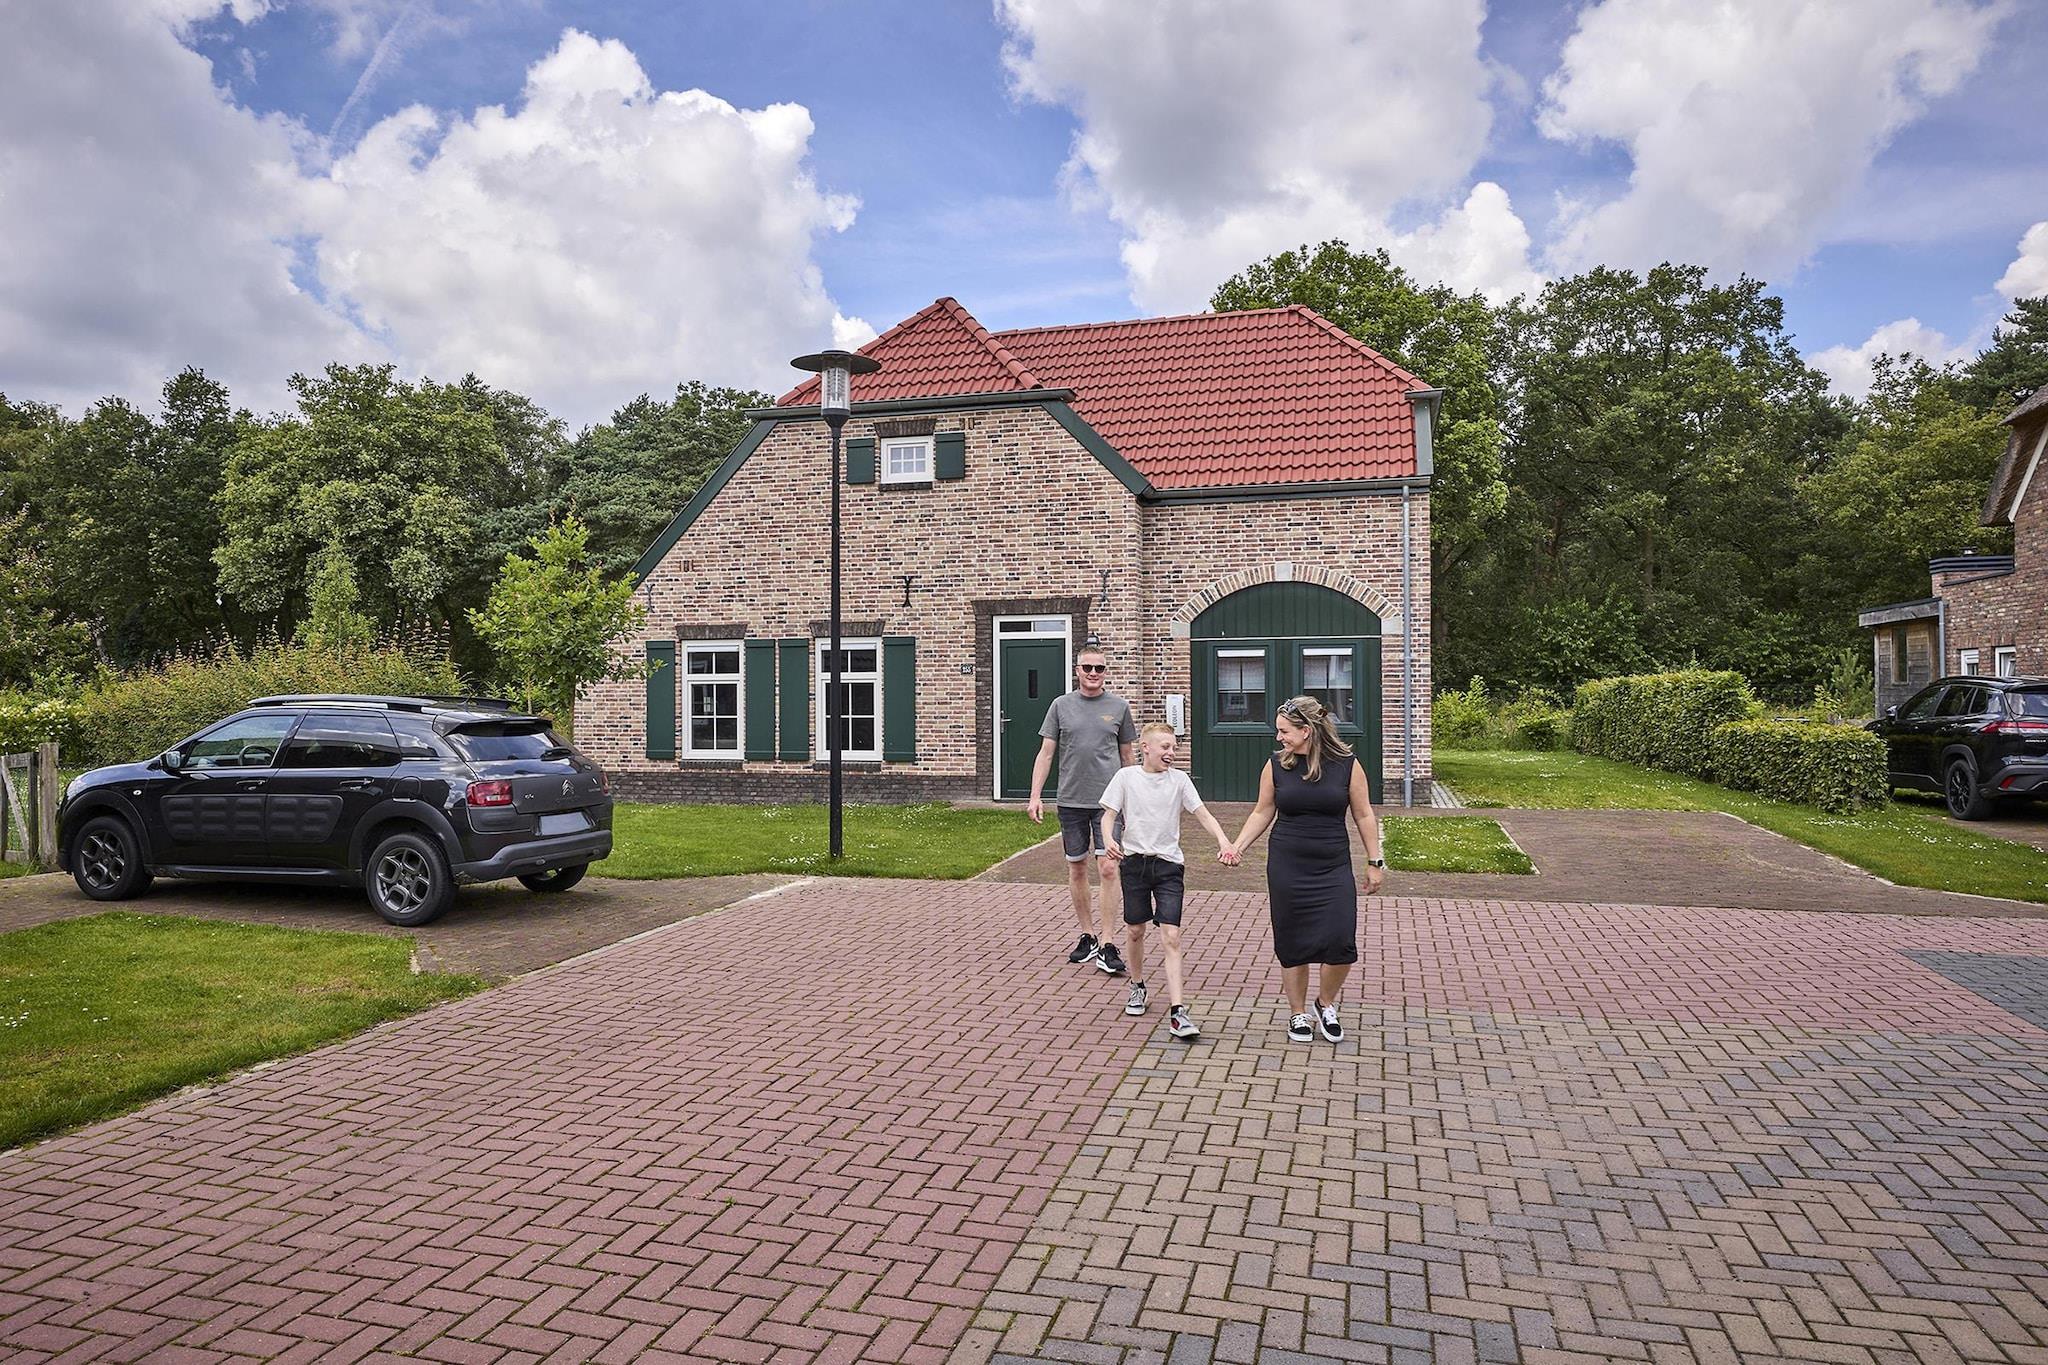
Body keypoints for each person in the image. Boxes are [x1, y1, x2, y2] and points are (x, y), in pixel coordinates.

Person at [1228, 695, 1385, 1044]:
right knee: (1293, 940)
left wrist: (1375, 861)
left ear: (1306, 731)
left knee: (1341, 941)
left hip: (1332, 865)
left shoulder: (1347, 765)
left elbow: (1363, 814)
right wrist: (1238, 847)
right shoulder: (1275, 765)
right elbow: (1262, 811)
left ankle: (1324, 1003)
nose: (1278, 737)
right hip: (1287, 865)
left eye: (1284, 731)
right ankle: (1297, 1012)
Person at [1099, 722, 1238, 1040]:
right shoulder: (1126, 777)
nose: (1171, 752)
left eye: (1174, 747)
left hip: (1169, 867)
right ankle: (1137, 986)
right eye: (1165, 747)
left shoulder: (1180, 780)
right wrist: (1108, 839)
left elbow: (1203, 814)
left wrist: (1224, 841)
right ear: (1145, 747)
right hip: (1134, 865)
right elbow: (1108, 816)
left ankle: (1178, 1011)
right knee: (1135, 930)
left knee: (1171, 936)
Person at [1027, 644, 1137, 975]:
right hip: (1071, 801)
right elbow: (1046, 753)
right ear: (1077, 670)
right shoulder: (1060, 706)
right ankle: (1088, 936)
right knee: (1077, 868)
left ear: (1106, 672)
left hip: (1108, 805)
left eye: (1099, 668)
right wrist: (1035, 796)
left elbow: (1128, 757)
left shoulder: (1119, 707)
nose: (1093, 673)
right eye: (1087, 667)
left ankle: (1108, 943)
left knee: (1108, 868)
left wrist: (1133, 801)